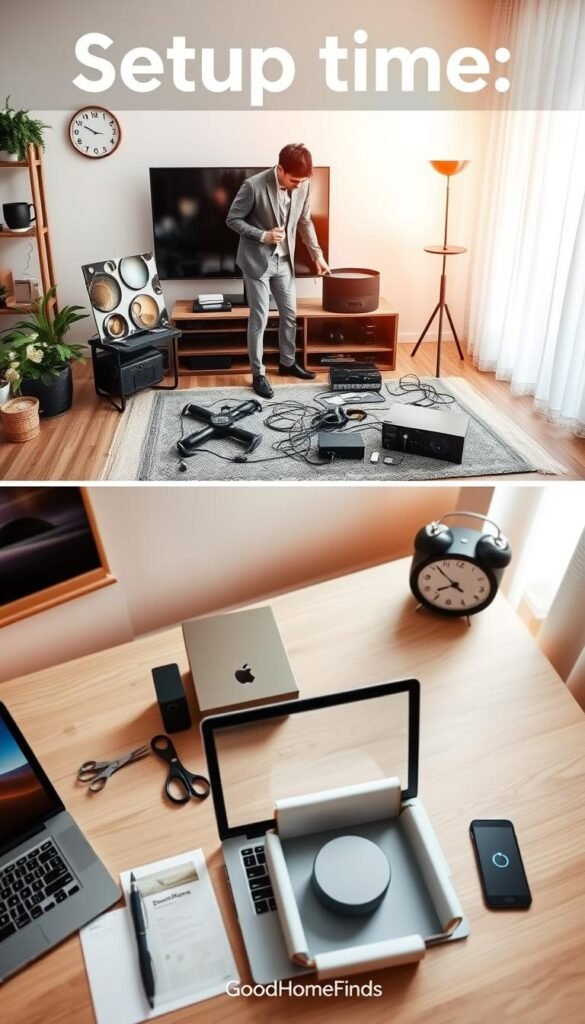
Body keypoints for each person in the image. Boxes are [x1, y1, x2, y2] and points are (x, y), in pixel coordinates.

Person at [226, 143, 330, 398]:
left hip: (285, 262)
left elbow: (305, 221)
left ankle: (287, 363)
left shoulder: (303, 185)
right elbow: (232, 219)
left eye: (302, 181)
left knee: (290, 315)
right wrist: (263, 236)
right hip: (256, 263)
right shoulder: (253, 185)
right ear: (280, 169)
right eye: (294, 180)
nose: (298, 185)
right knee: (259, 319)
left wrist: (318, 256)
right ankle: (258, 374)